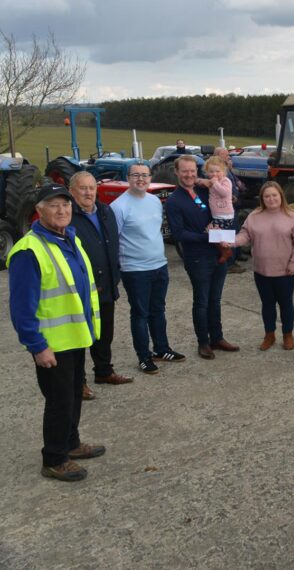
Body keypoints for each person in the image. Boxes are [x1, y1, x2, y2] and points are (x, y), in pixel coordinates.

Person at [7, 183, 105, 482]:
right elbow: (22, 307)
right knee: (59, 401)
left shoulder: (68, 238)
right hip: (52, 343)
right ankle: (54, 458)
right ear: (38, 211)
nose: (62, 210)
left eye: (65, 204)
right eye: (53, 205)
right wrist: (37, 346)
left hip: (76, 337)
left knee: (73, 395)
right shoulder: (29, 250)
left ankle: (71, 444)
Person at [111, 162, 186, 373]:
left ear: (150, 177)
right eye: (136, 175)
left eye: (145, 175)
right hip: (135, 269)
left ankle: (162, 349)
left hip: (159, 265)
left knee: (158, 310)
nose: (141, 179)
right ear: (128, 177)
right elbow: (113, 240)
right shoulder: (119, 206)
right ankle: (144, 356)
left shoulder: (154, 201)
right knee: (140, 313)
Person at [166, 155, 239, 360]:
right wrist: (206, 236)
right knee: (202, 300)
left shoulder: (204, 189)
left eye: (192, 171)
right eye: (185, 171)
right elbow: (178, 234)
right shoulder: (174, 201)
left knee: (215, 299)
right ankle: (203, 342)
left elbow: (226, 201)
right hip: (197, 256)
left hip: (218, 253)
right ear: (177, 172)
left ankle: (217, 337)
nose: (189, 174)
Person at [68, 172, 132, 398]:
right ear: (72, 191)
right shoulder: (69, 216)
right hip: (83, 289)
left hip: (106, 285)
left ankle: (104, 371)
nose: (88, 192)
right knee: (81, 337)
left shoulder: (105, 211)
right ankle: (79, 383)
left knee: (104, 334)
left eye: (91, 188)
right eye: (82, 188)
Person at [231, 182, 294, 351]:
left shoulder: (292, 216)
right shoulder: (254, 216)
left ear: (281, 196)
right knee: (267, 304)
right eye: (267, 196)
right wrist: (232, 242)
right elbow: (244, 235)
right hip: (262, 270)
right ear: (262, 199)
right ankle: (269, 335)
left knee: (286, 304)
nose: (271, 199)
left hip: (285, 271)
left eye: (274, 195)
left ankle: (288, 335)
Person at [202, 156, 235, 264]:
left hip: (225, 215)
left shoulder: (226, 181)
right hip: (218, 215)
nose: (214, 174)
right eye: (211, 171)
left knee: (210, 232)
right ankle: (224, 250)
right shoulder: (211, 181)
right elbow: (203, 182)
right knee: (214, 234)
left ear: (224, 172)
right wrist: (199, 181)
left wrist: (215, 183)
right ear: (207, 172)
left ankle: (226, 251)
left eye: (217, 171)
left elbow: (224, 193)